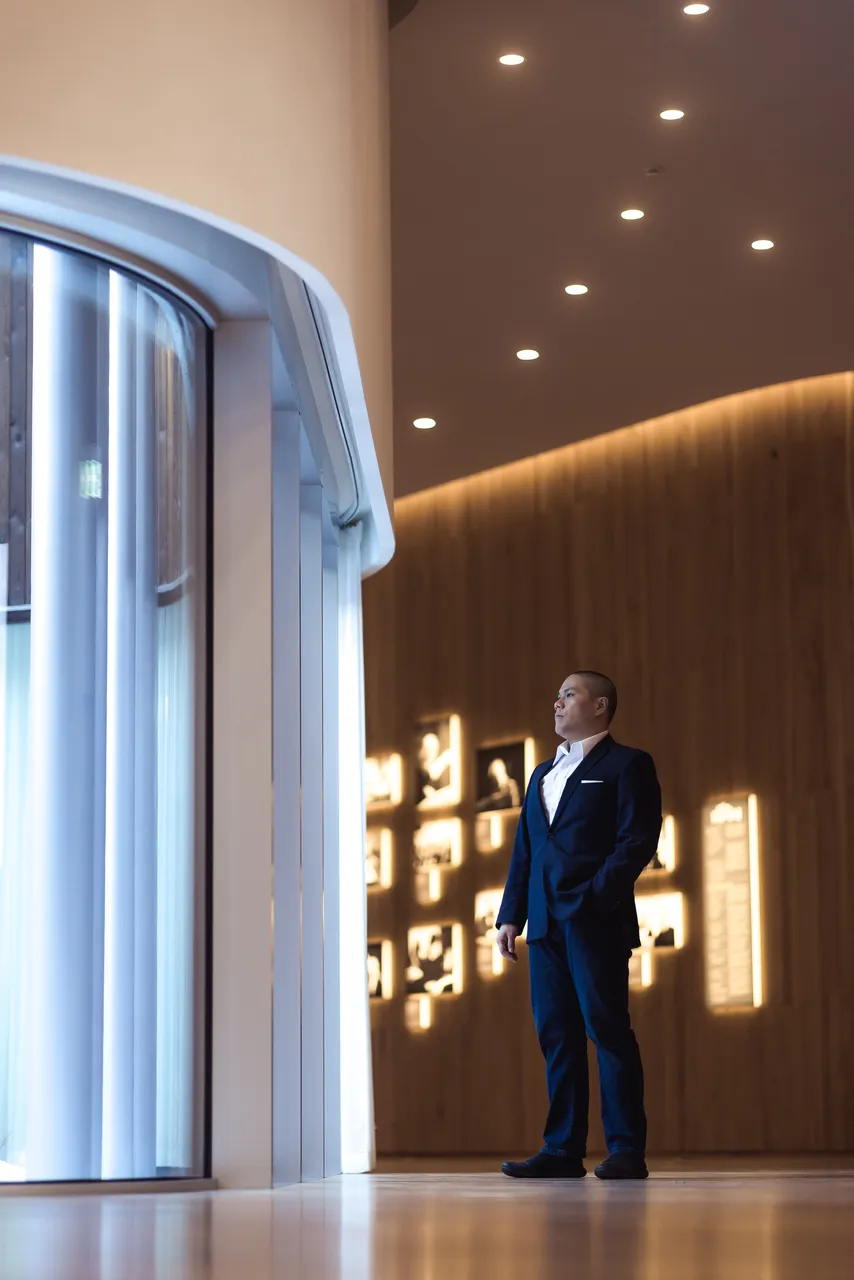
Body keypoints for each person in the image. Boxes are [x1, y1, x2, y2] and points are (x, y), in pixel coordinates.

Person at [496, 671, 661, 1181]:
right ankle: (562, 1149)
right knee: (557, 1037)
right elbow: (527, 850)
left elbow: (637, 841)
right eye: (558, 694)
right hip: (544, 926)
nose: (557, 701)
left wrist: (594, 899)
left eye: (569, 694)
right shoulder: (542, 772)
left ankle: (627, 1151)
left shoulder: (628, 764)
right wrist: (510, 914)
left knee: (608, 1031)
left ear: (600, 705)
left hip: (596, 922)